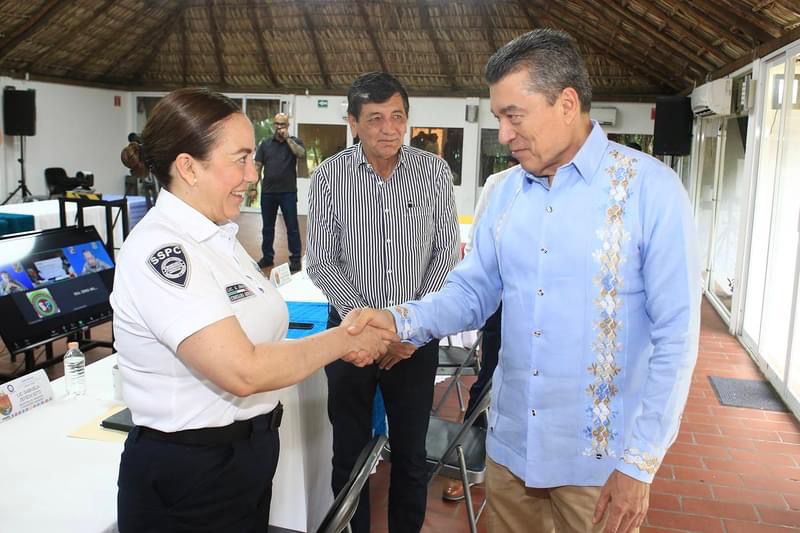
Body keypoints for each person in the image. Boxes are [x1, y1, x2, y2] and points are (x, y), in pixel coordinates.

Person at [345, 29, 700, 533]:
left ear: (566, 102)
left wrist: (639, 464)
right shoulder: (506, 192)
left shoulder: (649, 191)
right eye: (498, 119)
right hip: (511, 454)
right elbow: (472, 291)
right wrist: (399, 319)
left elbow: (676, 337)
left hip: (597, 467)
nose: (505, 134)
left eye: (514, 116)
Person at [114, 88, 396, 533]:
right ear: (188, 167)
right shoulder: (163, 249)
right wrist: (345, 338)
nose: (252, 174)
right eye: (240, 159)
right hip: (191, 474)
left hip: (244, 461)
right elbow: (241, 370)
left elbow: (261, 336)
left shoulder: (220, 238)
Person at [306, 71, 460, 533]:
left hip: (414, 344)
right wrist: (371, 331)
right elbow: (320, 260)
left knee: (411, 456)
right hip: (350, 342)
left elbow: (445, 256)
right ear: (353, 122)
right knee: (348, 455)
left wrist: (406, 329)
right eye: (375, 118)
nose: (389, 128)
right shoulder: (330, 175)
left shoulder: (433, 172)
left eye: (397, 116)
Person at [442, 156, 519, 503]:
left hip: (556, 319)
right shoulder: (499, 183)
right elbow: (476, 250)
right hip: (503, 308)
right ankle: (469, 467)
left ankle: (520, 475)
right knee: (488, 384)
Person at [254, 112, 305, 272]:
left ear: (287, 126)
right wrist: (253, 187)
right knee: (267, 228)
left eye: (282, 124)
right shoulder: (265, 144)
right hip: (268, 192)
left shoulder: (295, 142)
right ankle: (267, 257)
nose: (279, 127)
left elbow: (301, 154)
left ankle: (295, 259)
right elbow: (257, 166)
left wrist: (288, 139)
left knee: (292, 227)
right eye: (276, 124)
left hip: (288, 192)